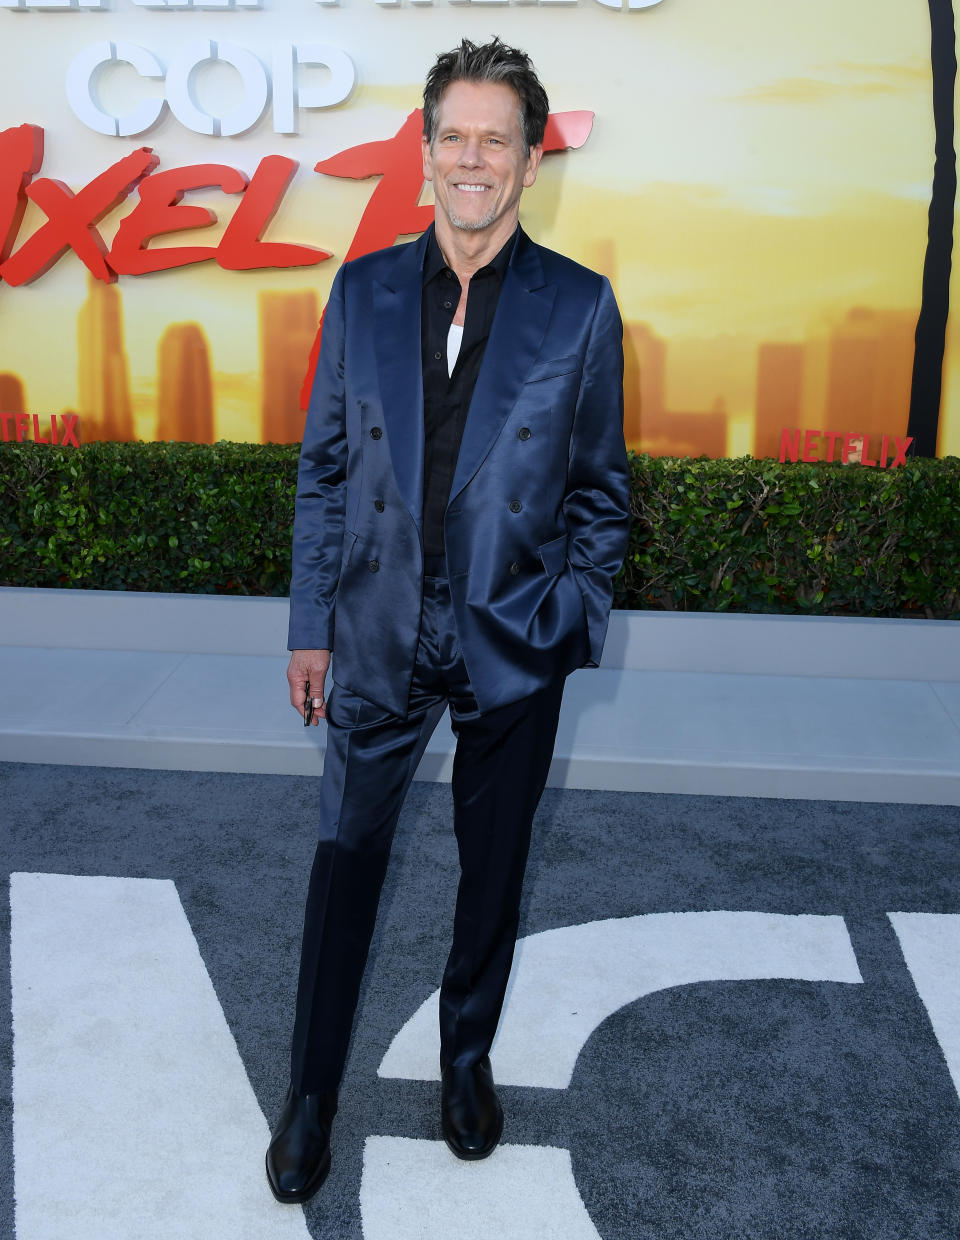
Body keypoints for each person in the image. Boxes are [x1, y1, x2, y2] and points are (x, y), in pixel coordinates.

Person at [266, 36, 630, 1205]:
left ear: (529, 165)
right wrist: (308, 623)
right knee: (342, 865)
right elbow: (325, 467)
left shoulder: (579, 307)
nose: (474, 160)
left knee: (493, 870)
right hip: (375, 631)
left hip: (509, 638)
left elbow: (600, 494)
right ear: (425, 155)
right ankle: (312, 1090)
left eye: (498, 141)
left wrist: (569, 618)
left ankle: (464, 1057)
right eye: (455, 138)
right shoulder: (362, 289)